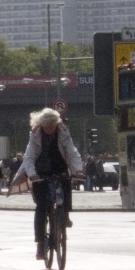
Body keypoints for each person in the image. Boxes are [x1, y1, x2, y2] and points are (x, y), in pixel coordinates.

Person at [11, 108, 83, 261]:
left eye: (52, 126)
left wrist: (78, 170)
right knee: (41, 206)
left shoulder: (63, 132)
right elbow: (29, 157)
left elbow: (72, 152)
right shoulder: (35, 134)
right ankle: (40, 243)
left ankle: (65, 215)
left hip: (59, 166)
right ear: (41, 125)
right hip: (40, 170)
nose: (50, 129)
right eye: (47, 126)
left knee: (66, 182)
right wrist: (32, 174)